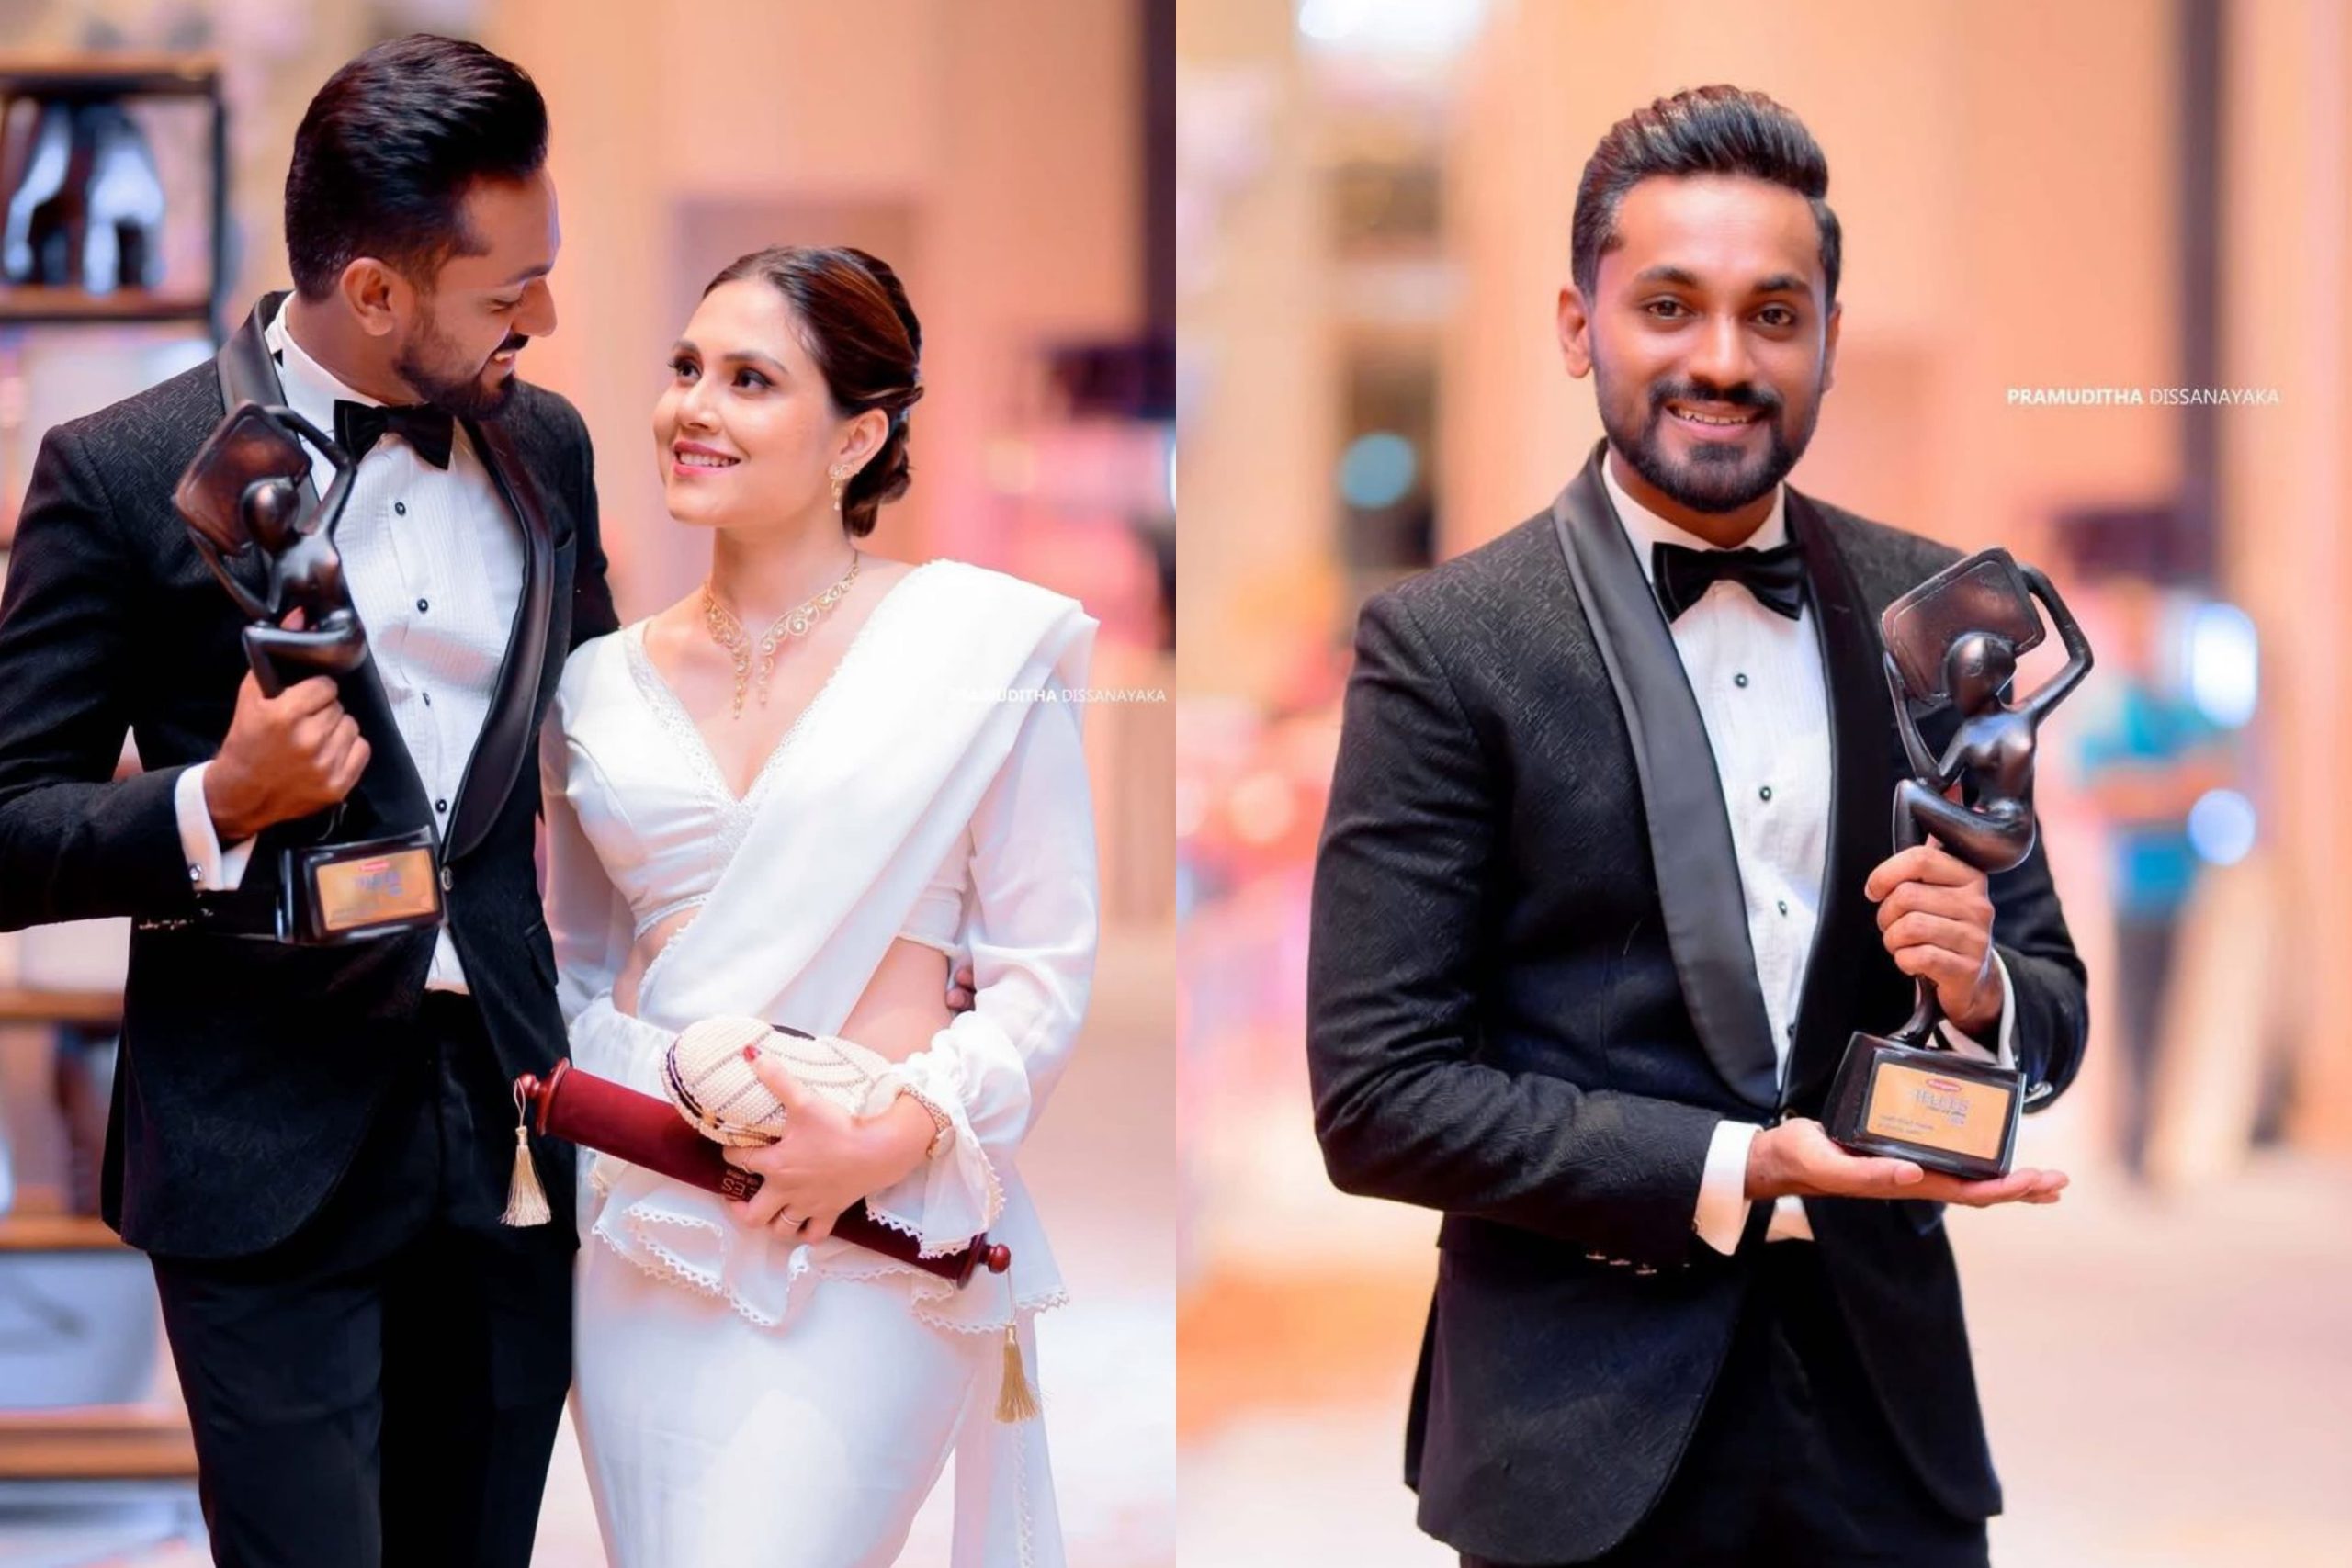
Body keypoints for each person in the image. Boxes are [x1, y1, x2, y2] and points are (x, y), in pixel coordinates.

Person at [1306, 86, 2089, 1567]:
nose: (1723, 359)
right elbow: (1380, 1096)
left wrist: (1985, 987)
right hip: (1574, 1439)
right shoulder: (1449, 646)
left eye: (1773, 315)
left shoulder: (1942, 611)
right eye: (1669, 306)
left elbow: (2054, 1006)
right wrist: (1743, 1165)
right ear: (1577, 325)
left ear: (1830, 339)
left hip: (1888, 1439)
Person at [0, 36, 614, 1566]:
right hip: (260, 1144)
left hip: (509, 1130)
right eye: (512, 291)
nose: (541, 321)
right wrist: (215, 801)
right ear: (377, 291)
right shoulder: (123, 471)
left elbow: (609, 746)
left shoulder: (546, 445)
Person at [543, 243, 1099, 1566]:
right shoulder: (594, 684)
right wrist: (667, 1090)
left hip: (874, 1230)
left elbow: (1044, 967)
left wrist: (887, 1134)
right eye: (687, 368)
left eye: (750, 380)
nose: (694, 408)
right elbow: (568, 963)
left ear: (858, 437)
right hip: (652, 1225)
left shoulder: (976, 645)